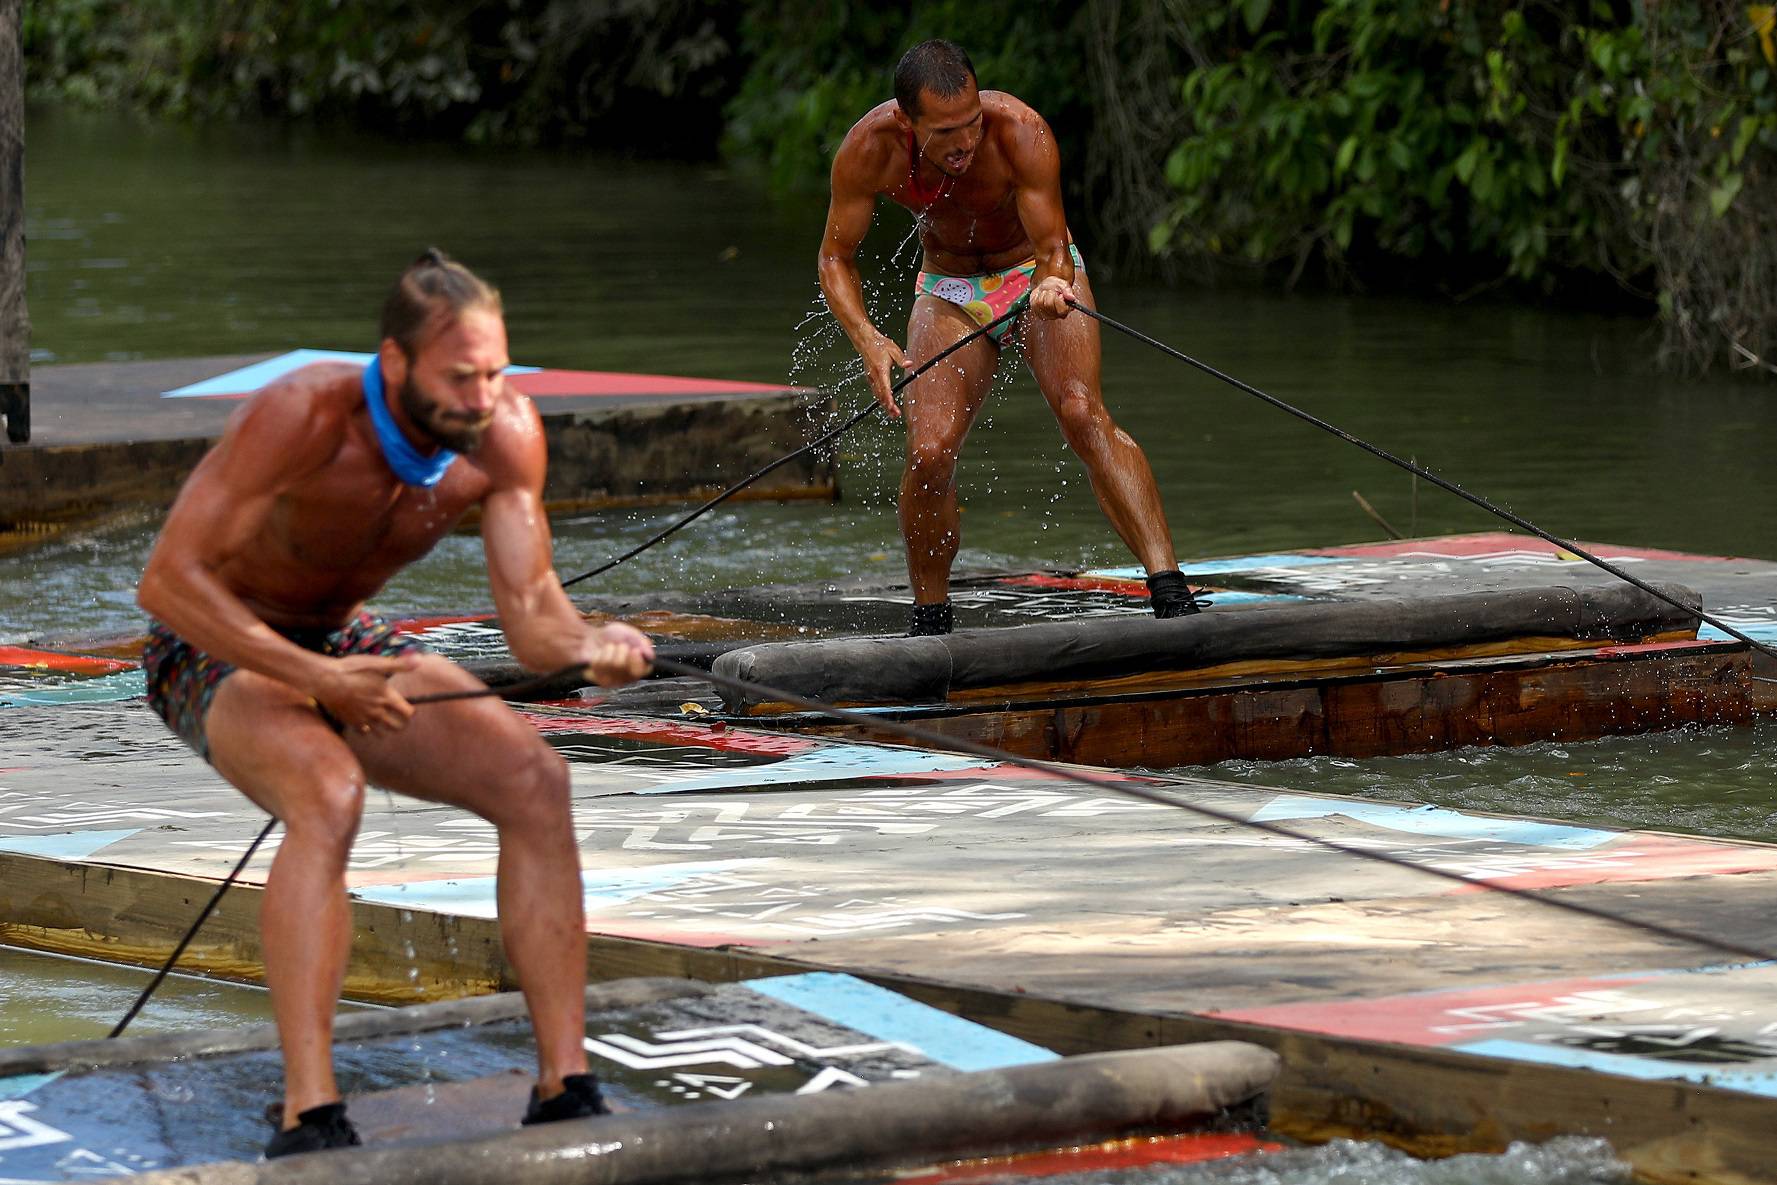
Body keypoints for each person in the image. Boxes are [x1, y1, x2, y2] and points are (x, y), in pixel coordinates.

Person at [136, 249, 653, 1157]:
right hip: (213, 640)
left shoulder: (504, 435)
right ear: (395, 362)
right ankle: (310, 1115)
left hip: (341, 635)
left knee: (537, 781)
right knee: (328, 793)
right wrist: (315, 682)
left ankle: (564, 1087)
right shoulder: (305, 414)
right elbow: (168, 581)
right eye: (461, 377)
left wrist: (591, 647)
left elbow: (533, 619)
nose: (482, 396)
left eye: (495, 372)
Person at [818, 39, 1204, 636]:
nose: (965, 143)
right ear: (906, 122)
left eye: (970, 123)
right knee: (928, 452)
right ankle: (931, 618)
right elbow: (835, 259)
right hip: (949, 288)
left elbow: (1053, 249)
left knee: (1082, 412)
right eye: (945, 133)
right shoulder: (869, 149)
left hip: (1033, 273)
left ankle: (1170, 591)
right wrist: (869, 339)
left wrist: (1053, 283)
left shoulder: (1021, 131)